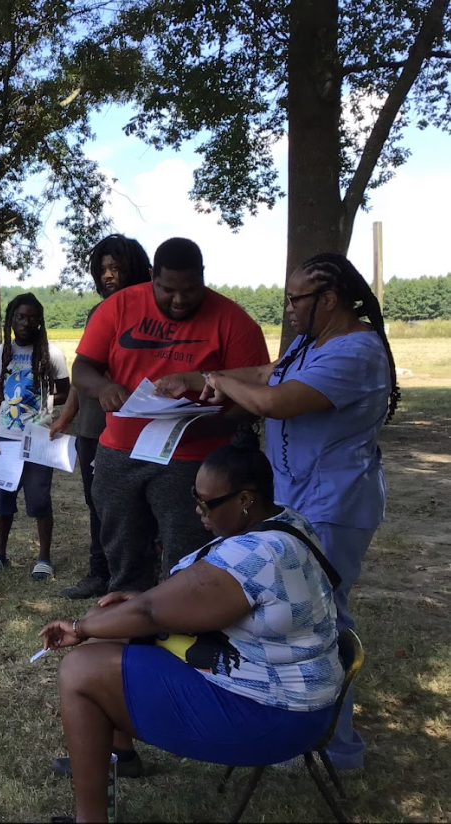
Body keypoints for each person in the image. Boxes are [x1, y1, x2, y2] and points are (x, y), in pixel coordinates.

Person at [160, 253, 396, 771]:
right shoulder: (314, 343)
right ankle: (293, 722)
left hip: (335, 503)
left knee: (325, 615)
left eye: (295, 300)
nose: (287, 310)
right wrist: (202, 376)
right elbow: (268, 372)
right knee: (293, 613)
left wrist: (218, 377)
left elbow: (274, 400)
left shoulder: (355, 352)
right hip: (302, 498)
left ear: (328, 300)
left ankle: (336, 745)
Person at [40, 445, 344, 823]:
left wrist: (78, 629)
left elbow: (150, 613)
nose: (198, 511)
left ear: (246, 499)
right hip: (285, 691)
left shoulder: (256, 553)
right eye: (195, 498)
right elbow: (202, 601)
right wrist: (121, 612)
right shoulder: (286, 523)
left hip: (275, 716)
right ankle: (121, 754)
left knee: (79, 670)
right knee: (110, 629)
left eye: (207, 503)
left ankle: (91, 819)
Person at [72, 237, 269, 594]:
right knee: (122, 549)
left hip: (192, 458)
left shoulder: (234, 322)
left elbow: (254, 393)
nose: (179, 300)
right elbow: (82, 368)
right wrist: (104, 388)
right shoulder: (118, 308)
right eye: (167, 290)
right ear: (151, 277)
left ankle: (183, 626)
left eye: (190, 290)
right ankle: (127, 621)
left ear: (204, 277)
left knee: (187, 552)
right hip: (121, 451)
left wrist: (210, 422)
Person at [50, 235, 152, 600]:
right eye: (102, 270)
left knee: (142, 504)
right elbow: (84, 370)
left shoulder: (152, 310)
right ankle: (101, 572)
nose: (108, 276)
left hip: (141, 426)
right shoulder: (100, 313)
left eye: (116, 268)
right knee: (98, 502)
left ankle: (142, 571)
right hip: (94, 427)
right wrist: (66, 417)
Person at [0, 292, 71, 580]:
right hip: (6, 438)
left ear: (40, 321)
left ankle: (44, 557)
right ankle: (0, 553)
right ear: (11, 319)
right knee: (3, 498)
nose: (26, 323)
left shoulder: (52, 353)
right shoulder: (2, 352)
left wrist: (43, 399)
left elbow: (67, 392)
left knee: (39, 499)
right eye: (20, 317)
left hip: (38, 436)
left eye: (33, 317)